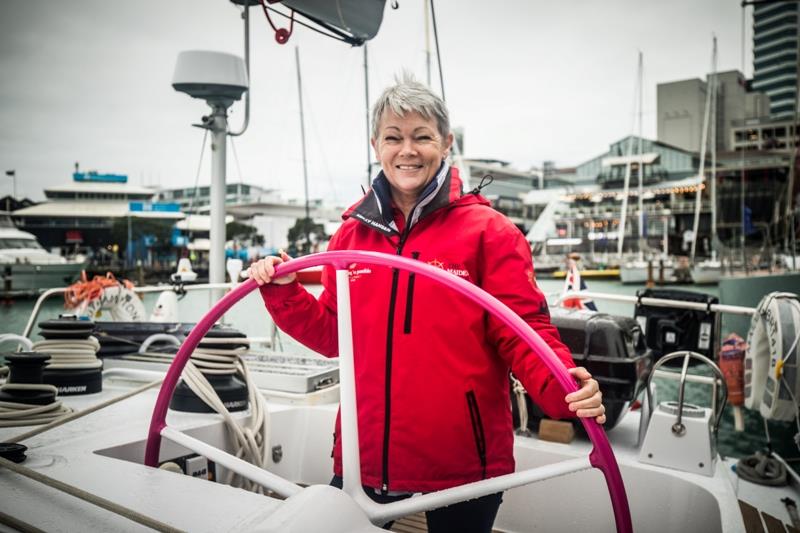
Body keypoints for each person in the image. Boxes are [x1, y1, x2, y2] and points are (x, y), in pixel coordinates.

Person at [249, 74, 605, 533]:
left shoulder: (489, 232)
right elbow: (332, 334)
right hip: (367, 450)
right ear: (376, 144)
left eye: (422, 137)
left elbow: (523, 331)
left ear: (446, 142)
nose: (408, 150)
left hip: (465, 457)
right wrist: (283, 289)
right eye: (394, 137)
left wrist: (564, 389)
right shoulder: (351, 235)